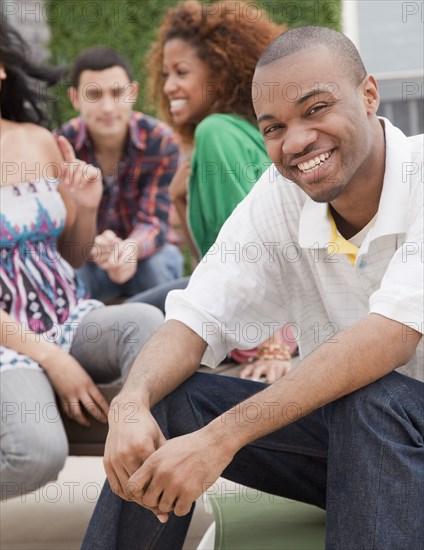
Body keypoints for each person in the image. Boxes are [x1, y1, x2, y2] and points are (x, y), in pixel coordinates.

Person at [82, 24, 423, 550]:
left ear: (369, 94)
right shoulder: (284, 195)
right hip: (361, 455)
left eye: (316, 109)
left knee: (371, 397)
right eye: (273, 127)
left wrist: (219, 439)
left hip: (400, 430)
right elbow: (197, 316)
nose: (297, 141)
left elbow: (390, 337)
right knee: (173, 400)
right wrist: (131, 402)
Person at [0, 22, 164, 500]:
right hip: (10, 342)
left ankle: (138, 472)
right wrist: (52, 360)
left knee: (145, 322)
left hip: (67, 318)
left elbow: (70, 256)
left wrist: (85, 205)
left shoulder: (36, 139)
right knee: (35, 454)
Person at [128, 0, 295, 382]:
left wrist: (276, 344)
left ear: (219, 71)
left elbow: (264, 243)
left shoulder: (218, 132)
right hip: (238, 306)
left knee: (129, 324)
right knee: (129, 316)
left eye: (181, 72)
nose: (168, 86)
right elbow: (215, 264)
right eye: (166, 73)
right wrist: (179, 200)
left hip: (276, 316)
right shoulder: (230, 135)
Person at [54, 47, 183, 303]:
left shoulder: (160, 139)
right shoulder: (60, 147)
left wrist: (129, 249)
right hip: (88, 261)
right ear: (75, 98)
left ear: (132, 93)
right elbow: (59, 228)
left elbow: (155, 221)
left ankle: (172, 338)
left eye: (117, 93)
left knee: (160, 263)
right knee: (66, 271)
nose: (107, 107)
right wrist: (91, 248)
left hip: (145, 256)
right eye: (94, 95)